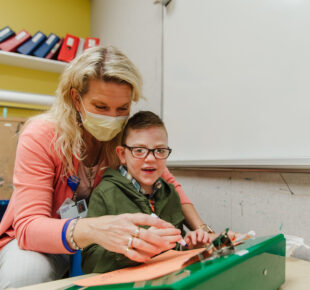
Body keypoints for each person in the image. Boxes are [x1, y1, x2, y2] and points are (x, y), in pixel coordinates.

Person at [0, 46, 211, 289]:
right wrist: (96, 229)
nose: (113, 118)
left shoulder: (125, 137)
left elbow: (168, 181)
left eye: (122, 108)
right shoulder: (41, 135)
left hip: (100, 239)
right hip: (40, 241)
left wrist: (204, 230)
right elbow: (29, 227)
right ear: (76, 99)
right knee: (25, 275)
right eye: (101, 107)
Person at [82, 111, 211, 273]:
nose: (150, 158)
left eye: (160, 150)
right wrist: (135, 247)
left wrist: (189, 245)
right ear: (122, 154)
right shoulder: (105, 194)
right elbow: (89, 261)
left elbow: (176, 245)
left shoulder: (169, 192)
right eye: (139, 150)